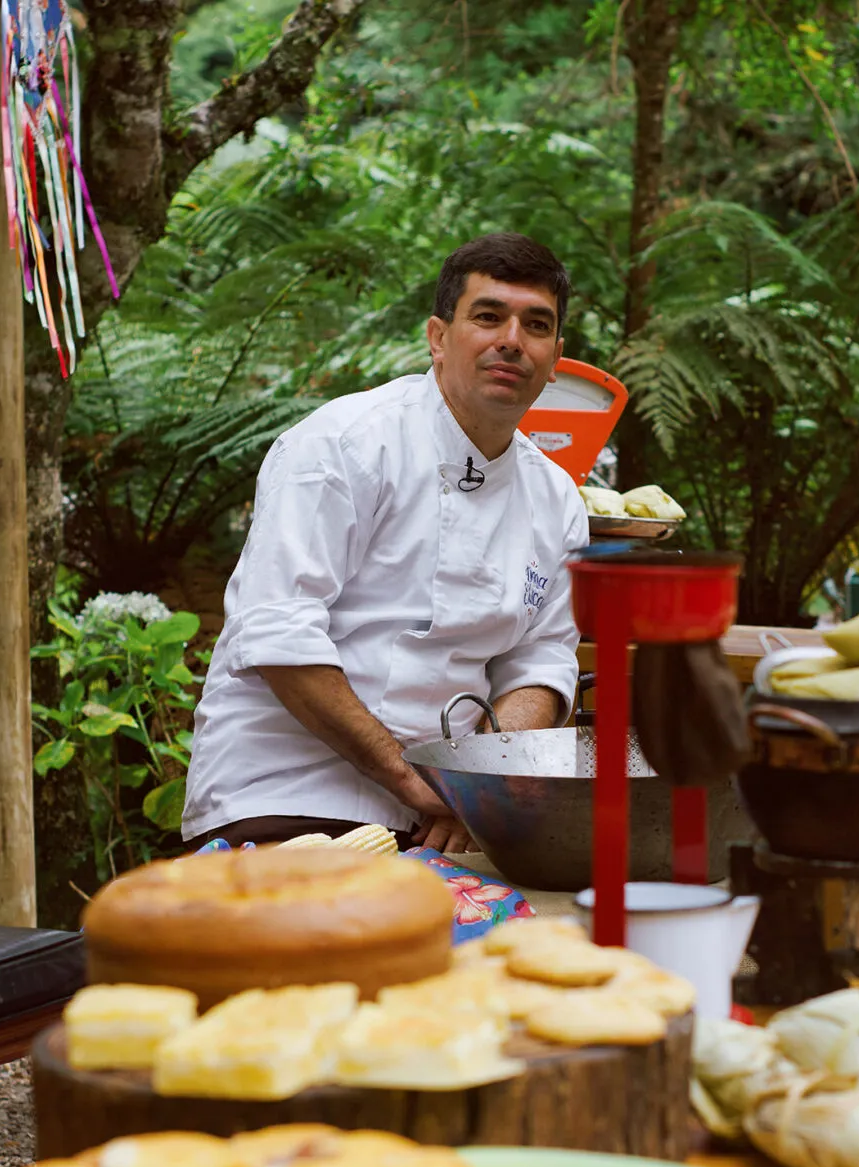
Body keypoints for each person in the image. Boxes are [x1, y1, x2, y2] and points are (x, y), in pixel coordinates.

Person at [181, 232, 589, 855]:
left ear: (555, 356)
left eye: (536, 325)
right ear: (437, 337)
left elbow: (541, 663)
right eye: (487, 316)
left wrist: (479, 790)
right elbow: (279, 632)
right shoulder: (343, 445)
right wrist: (412, 780)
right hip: (287, 794)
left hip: (452, 818)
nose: (512, 339)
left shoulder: (556, 499)